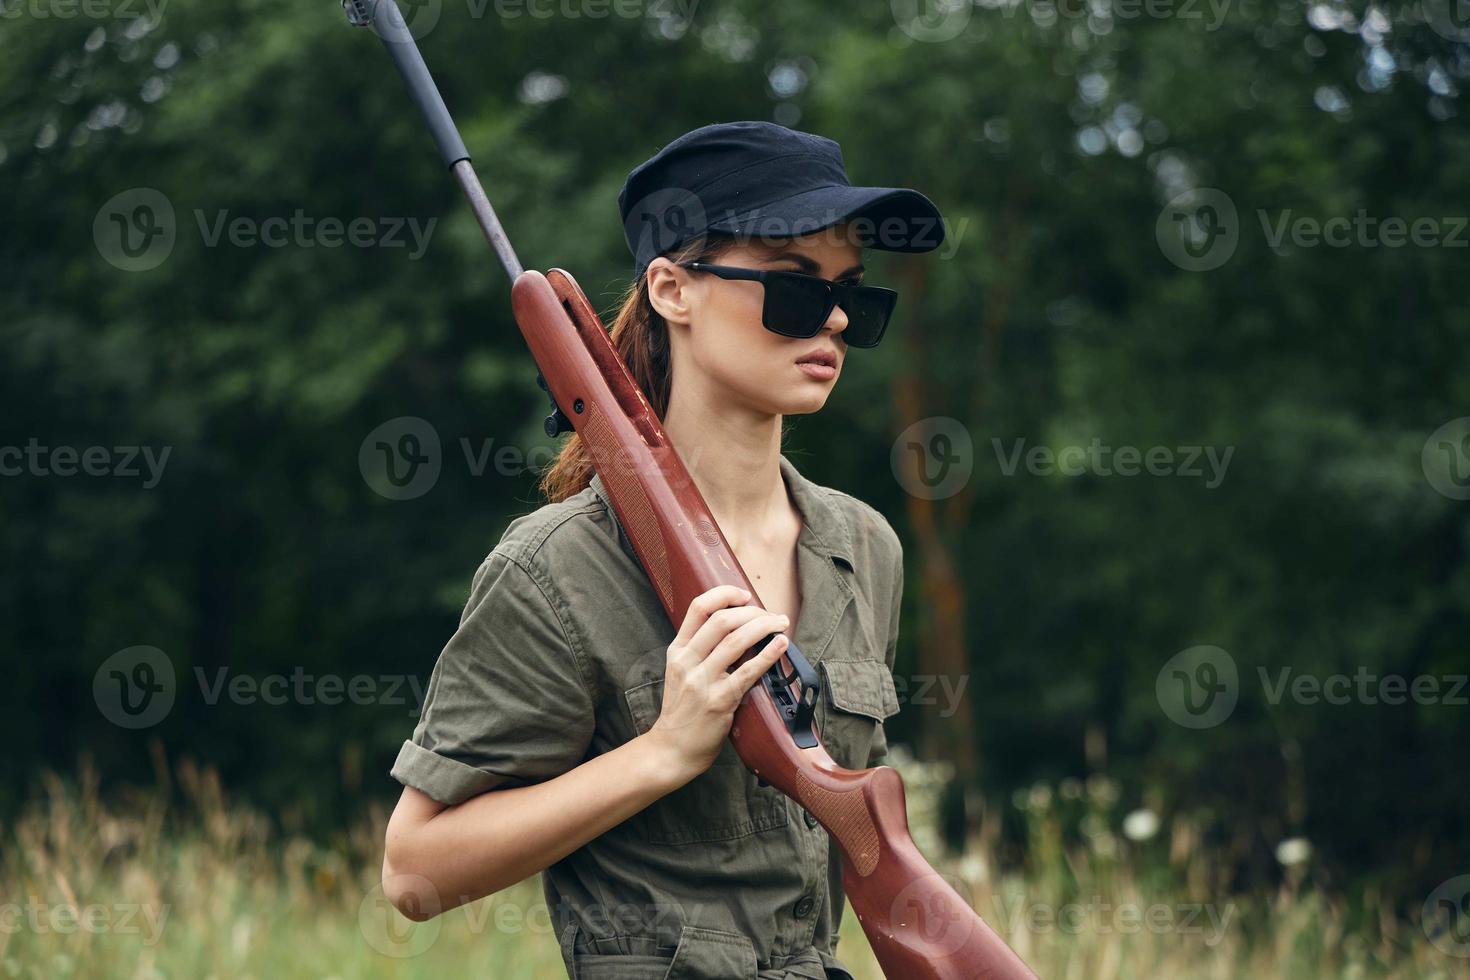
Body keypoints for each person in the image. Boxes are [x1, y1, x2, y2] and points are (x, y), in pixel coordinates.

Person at [381, 120, 946, 979]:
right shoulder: (556, 567)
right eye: (795, 288)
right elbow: (416, 869)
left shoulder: (863, 545)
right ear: (672, 289)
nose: (832, 317)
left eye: (854, 297)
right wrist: (662, 753)